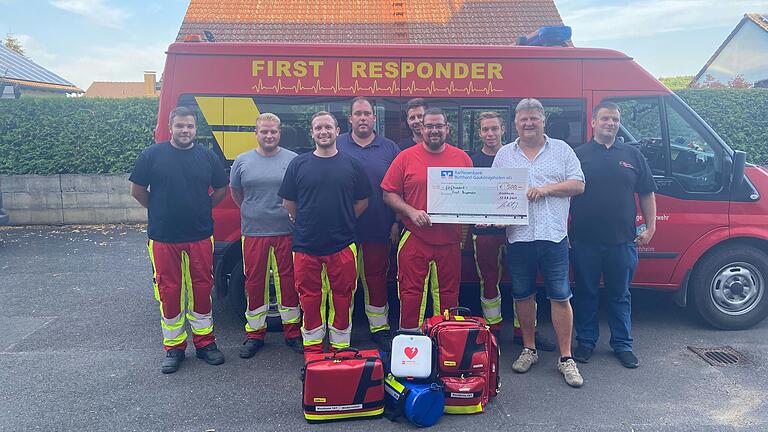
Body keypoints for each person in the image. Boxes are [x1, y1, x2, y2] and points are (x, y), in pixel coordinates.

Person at [492, 98, 586, 387]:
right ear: (515, 123)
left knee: (560, 295)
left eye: (534, 118)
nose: (529, 123)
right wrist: (492, 217)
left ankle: (566, 358)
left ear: (543, 120)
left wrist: (545, 190)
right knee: (522, 295)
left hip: (554, 236)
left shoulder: (562, 150)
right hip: (519, 236)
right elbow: (494, 194)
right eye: (523, 119)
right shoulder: (505, 155)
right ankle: (529, 349)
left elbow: (579, 184)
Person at [129, 106, 228, 374]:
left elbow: (222, 188)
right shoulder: (152, 155)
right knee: (169, 291)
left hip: (199, 234)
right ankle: (174, 347)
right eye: (180, 126)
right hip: (163, 236)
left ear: (196, 129)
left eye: (190, 126)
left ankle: (206, 344)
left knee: (201, 289)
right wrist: (158, 208)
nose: (185, 131)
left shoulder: (206, 157)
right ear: (170, 128)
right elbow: (137, 190)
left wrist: (204, 207)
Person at [569, 101, 657, 369]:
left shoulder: (632, 154)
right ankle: (586, 342)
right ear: (593, 122)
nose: (610, 123)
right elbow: (565, 195)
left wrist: (651, 227)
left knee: (620, 295)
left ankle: (623, 345)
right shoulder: (578, 154)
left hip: (622, 241)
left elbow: (646, 192)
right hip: (584, 240)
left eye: (615, 120)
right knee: (585, 293)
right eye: (605, 118)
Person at [278, 111, 372, 357]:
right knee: (309, 299)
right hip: (306, 244)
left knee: (343, 298)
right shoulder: (299, 164)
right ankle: (314, 351)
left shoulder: (352, 164)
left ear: (337, 130)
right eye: (318, 128)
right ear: (312, 133)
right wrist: (307, 221)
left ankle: (341, 348)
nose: (323, 132)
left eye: (328, 127)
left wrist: (344, 219)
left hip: (342, 244)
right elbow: (289, 202)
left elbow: (362, 201)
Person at [470, 111, 555, 351]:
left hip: (519, 230)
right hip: (486, 233)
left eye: (494, 129)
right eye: (485, 129)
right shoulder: (473, 161)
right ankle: (492, 330)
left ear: (503, 130)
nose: (490, 134)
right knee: (488, 282)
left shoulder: (516, 157)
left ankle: (524, 331)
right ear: (479, 133)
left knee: (524, 282)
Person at [382, 107, 473, 331]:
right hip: (415, 236)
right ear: (421, 129)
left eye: (439, 126)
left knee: (449, 294)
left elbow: (472, 196)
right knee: (411, 292)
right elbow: (388, 193)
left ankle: (446, 343)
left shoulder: (462, 158)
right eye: (429, 126)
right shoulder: (405, 157)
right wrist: (411, 211)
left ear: (447, 129)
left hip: (450, 239)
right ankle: (410, 344)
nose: (434, 130)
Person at [230, 113, 303, 358]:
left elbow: (298, 193)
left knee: (289, 282)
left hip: (287, 231)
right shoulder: (242, 161)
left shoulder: (293, 160)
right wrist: (253, 212)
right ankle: (255, 334)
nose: (269, 135)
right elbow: (236, 192)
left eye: (273, 131)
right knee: (254, 282)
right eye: (264, 131)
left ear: (279, 133)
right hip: (253, 232)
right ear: (256, 133)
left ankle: (292, 333)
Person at [336, 97, 400, 351]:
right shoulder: (337, 143)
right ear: (349, 119)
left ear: (375, 118)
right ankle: (342, 330)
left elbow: (399, 187)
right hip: (343, 229)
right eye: (357, 114)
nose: (362, 118)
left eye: (367, 114)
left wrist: (396, 221)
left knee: (375, 279)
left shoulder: (390, 148)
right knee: (343, 281)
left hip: (379, 226)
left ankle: (379, 328)